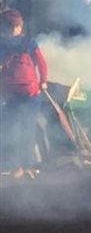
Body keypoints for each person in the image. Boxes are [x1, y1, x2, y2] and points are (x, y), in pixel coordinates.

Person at [1, 9, 49, 180]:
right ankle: (28, 166)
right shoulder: (30, 42)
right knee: (27, 129)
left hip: (9, 94)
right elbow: (42, 64)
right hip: (31, 93)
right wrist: (43, 81)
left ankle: (15, 168)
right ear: (20, 26)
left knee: (9, 129)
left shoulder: (1, 43)